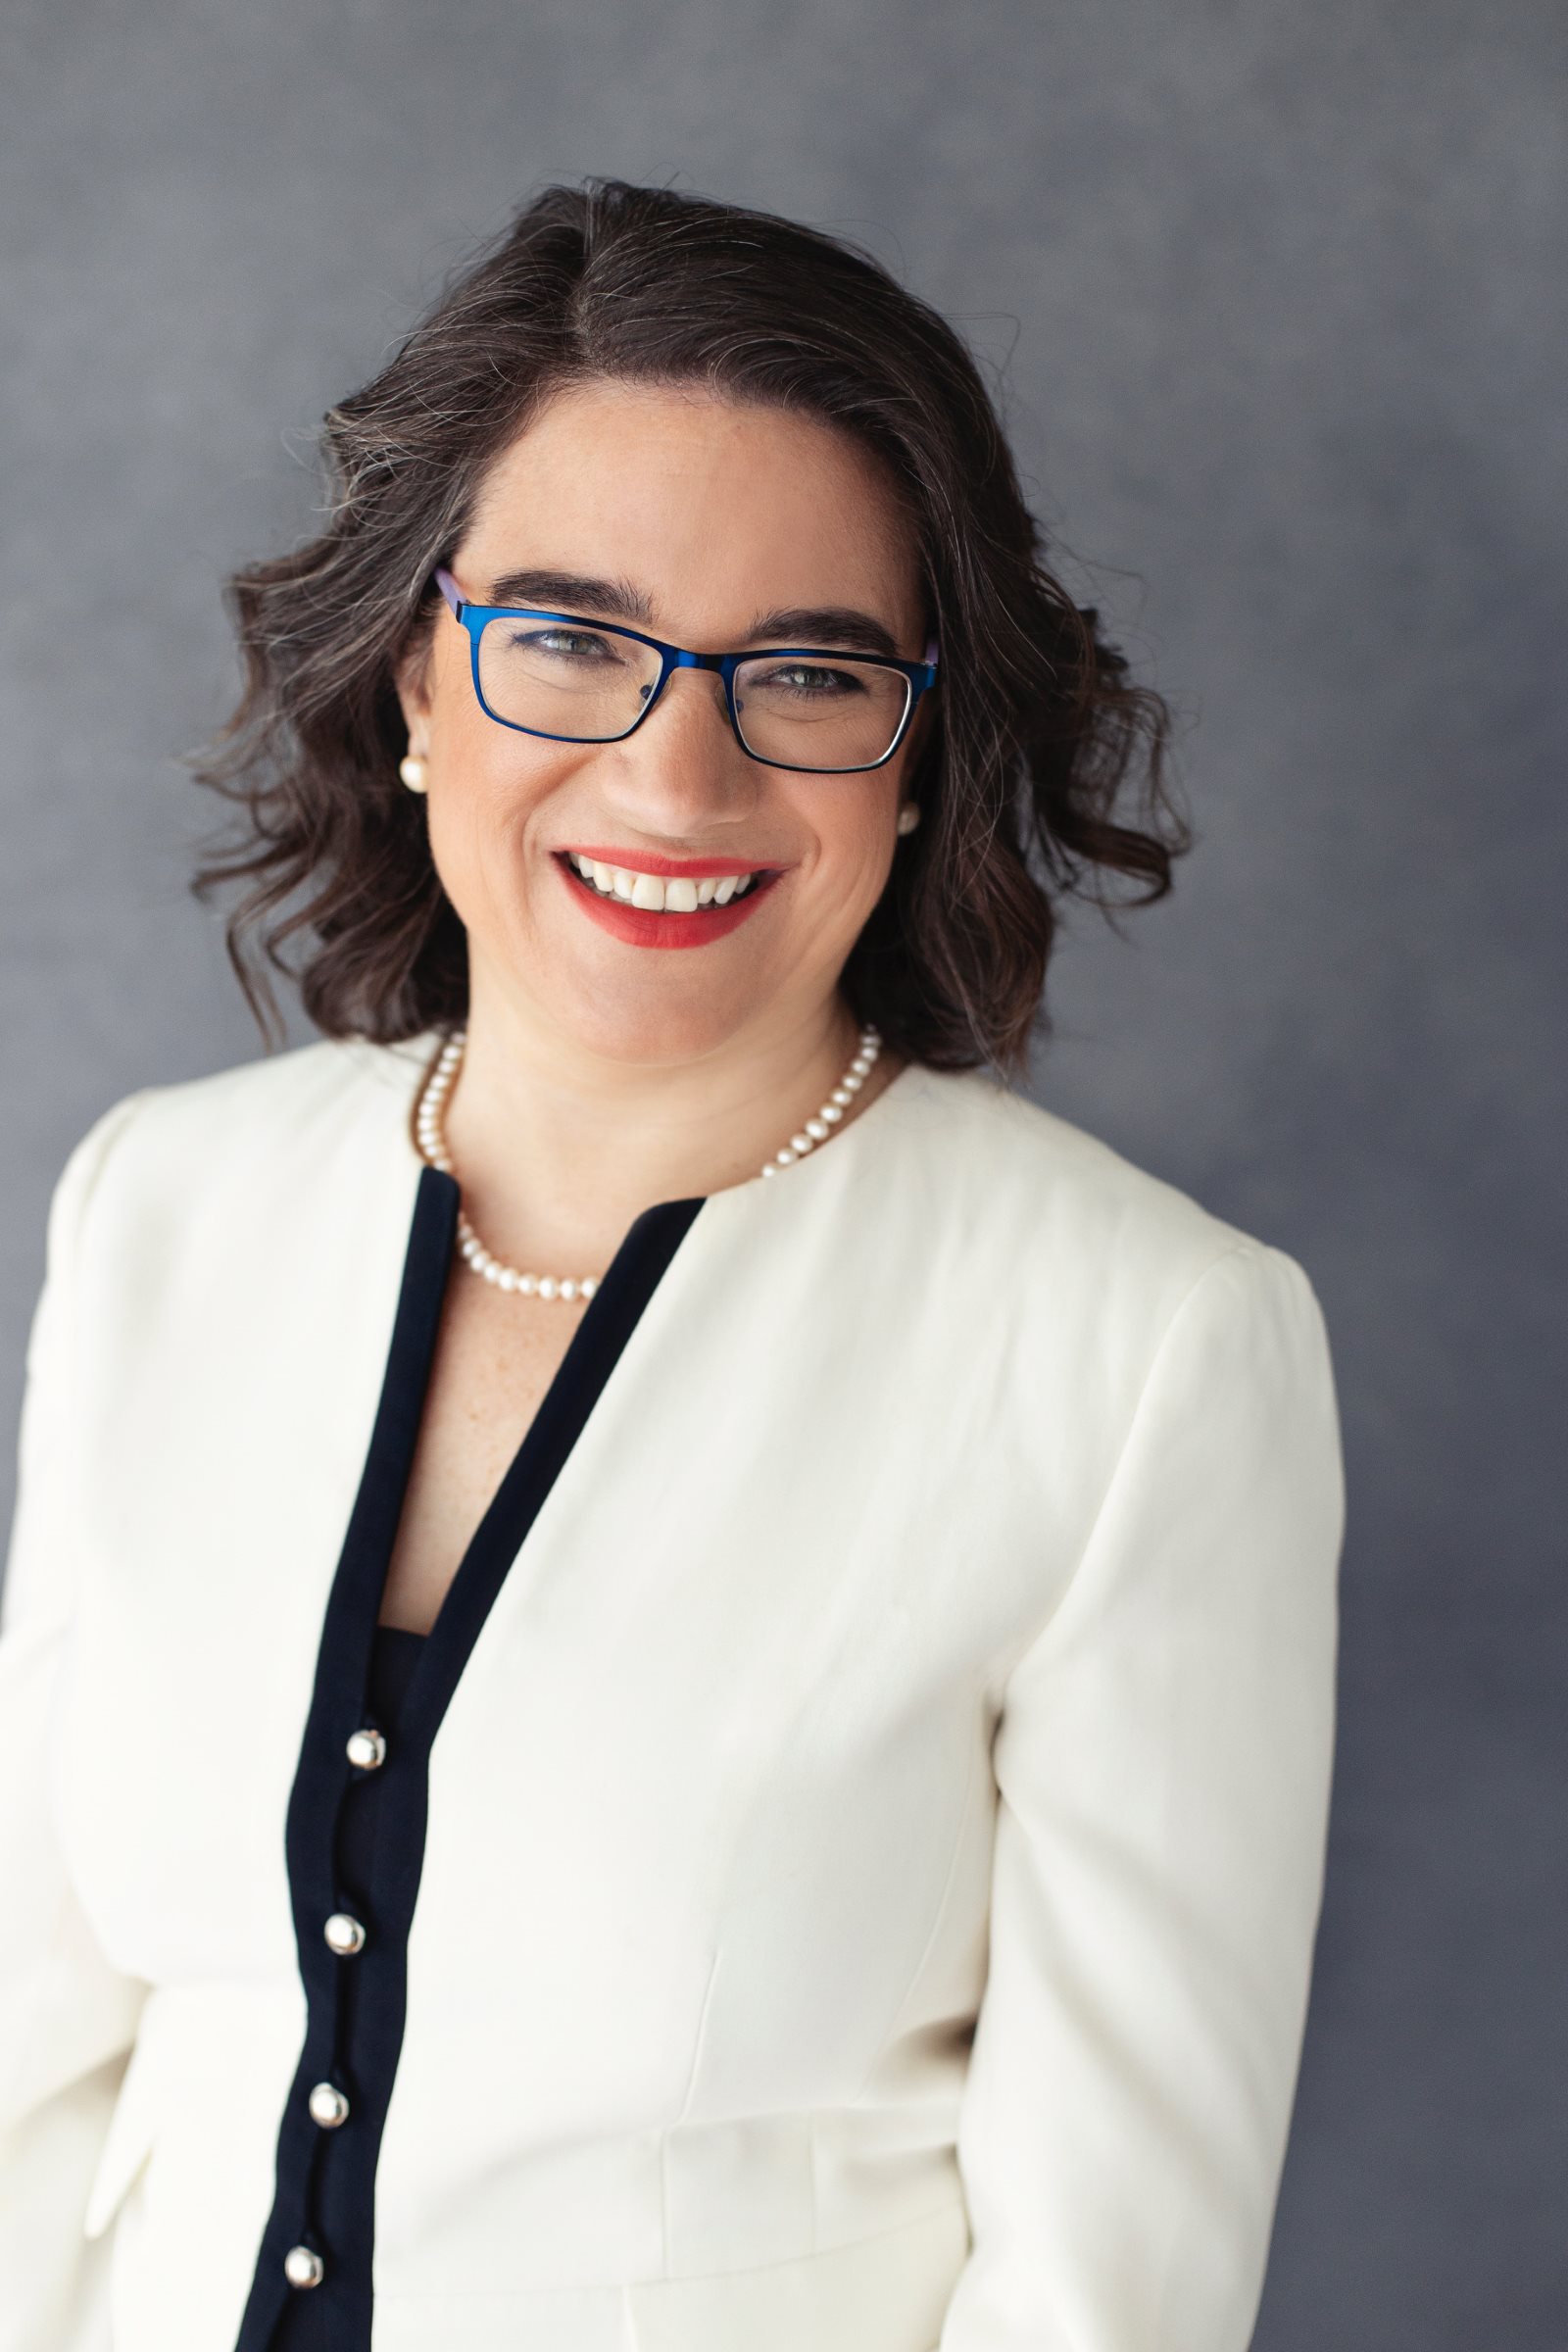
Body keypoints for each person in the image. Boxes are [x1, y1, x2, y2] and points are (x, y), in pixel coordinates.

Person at [0, 178, 1345, 2352]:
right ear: (417, 673)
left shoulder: (1143, 1356)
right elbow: (30, 2064)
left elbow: (1107, 2294)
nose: (671, 768)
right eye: (566, 636)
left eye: (805, 670)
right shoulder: (158, 1208)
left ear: (915, 757)